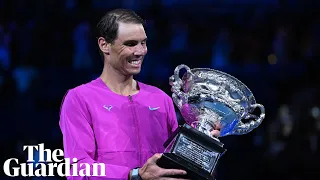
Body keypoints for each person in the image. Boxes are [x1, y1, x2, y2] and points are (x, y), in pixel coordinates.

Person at [59, 9, 220, 180]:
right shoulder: (80, 99)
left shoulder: (160, 99)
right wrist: (134, 175)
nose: (140, 51)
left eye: (143, 43)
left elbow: (177, 164)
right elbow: (78, 169)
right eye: (130, 44)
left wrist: (203, 143)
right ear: (104, 45)